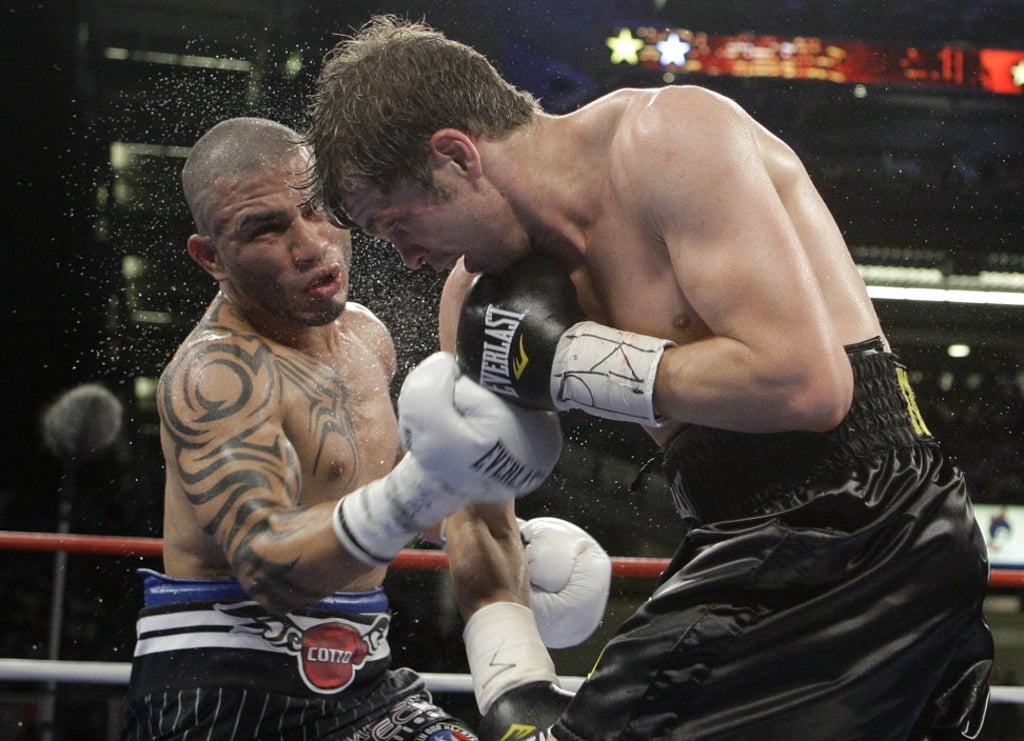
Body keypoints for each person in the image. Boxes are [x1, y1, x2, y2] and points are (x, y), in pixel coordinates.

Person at [305, 16, 995, 740]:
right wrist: (512, 677)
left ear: (455, 156)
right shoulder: (474, 302)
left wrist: (568, 362)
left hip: (870, 520)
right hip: (738, 538)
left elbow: (808, 385)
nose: (408, 257)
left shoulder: (668, 140)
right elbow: (476, 513)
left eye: (398, 225)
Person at [120, 116, 611, 740]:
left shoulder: (364, 340)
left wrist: (518, 542)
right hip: (226, 695)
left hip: (360, 677)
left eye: (319, 208)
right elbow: (267, 564)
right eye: (266, 228)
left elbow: (376, 491)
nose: (310, 243)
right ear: (211, 257)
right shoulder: (215, 374)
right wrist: (423, 492)